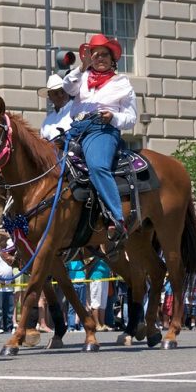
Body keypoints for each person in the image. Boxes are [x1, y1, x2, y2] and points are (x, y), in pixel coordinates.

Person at [62, 34, 138, 247]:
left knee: (97, 166)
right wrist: (81, 67)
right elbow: (67, 87)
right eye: (95, 55)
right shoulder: (82, 77)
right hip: (76, 129)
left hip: (102, 130)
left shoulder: (122, 83)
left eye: (104, 54)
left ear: (112, 59)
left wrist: (112, 117)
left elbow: (131, 118)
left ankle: (116, 218)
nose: (100, 58)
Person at [37, 73, 73, 140]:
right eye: (56, 93)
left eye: (62, 91)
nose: (60, 95)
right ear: (50, 97)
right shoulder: (46, 122)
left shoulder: (76, 110)